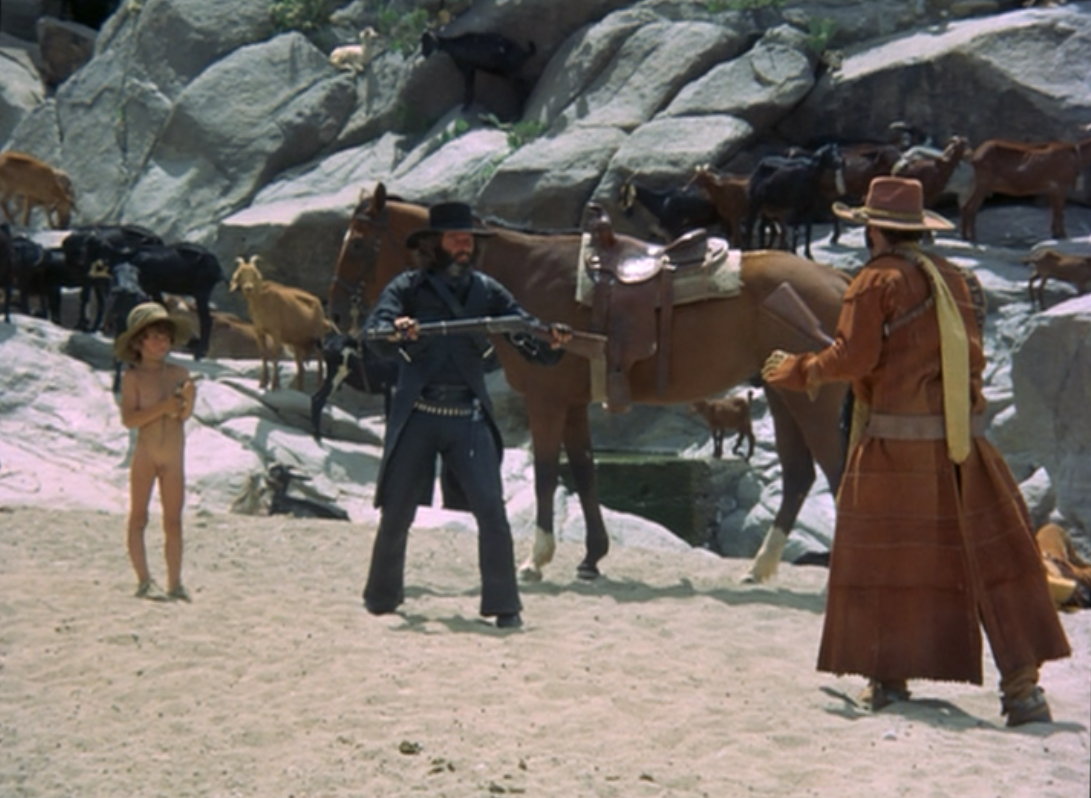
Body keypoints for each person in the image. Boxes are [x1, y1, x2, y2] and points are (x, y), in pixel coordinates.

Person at [760, 177, 1070, 726]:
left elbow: (853, 359)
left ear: (874, 232)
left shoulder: (875, 280)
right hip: (964, 444)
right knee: (995, 562)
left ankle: (889, 679)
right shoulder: (957, 278)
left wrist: (799, 369)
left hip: (895, 448)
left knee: (883, 563)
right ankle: (1023, 691)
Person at [362, 201, 571, 629]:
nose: (464, 246)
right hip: (417, 414)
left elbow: (524, 329)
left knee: (492, 512)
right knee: (397, 512)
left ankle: (504, 605)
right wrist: (397, 330)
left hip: (468, 417)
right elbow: (375, 334)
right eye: (456, 238)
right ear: (434, 243)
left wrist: (550, 339)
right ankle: (382, 597)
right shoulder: (407, 288)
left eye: (469, 240)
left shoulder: (487, 291)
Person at [115, 302, 197, 602]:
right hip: (146, 456)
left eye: (165, 337)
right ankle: (144, 580)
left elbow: (183, 415)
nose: (161, 343)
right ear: (139, 342)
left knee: (173, 521)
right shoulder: (133, 378)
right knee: (139, 517)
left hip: (174, 458)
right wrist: (163, 407)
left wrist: (188, 400)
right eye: (154, 337)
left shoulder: (179, 373)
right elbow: (129, 419)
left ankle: (175, 583)